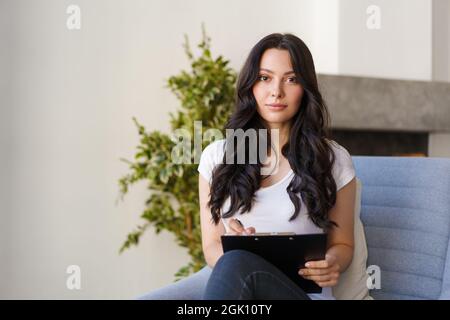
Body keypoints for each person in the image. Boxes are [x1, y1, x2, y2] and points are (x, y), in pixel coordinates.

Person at [197, 33, 357, 300]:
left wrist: (332, 262)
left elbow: (343, 244)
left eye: (291, 79)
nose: (276, 91)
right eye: (265, 77)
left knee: (237, 263)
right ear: (251, 85)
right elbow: (211, 247)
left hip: (303, 294)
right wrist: (238, 250)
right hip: (242, 290)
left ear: (305, 88)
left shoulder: (333, 159)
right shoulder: (217, 157)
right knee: (236, 262)